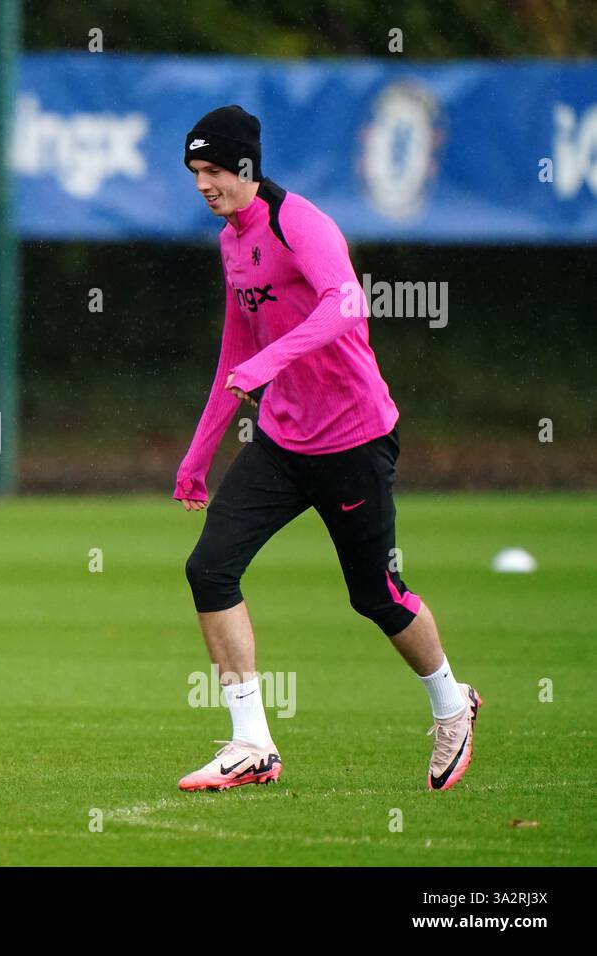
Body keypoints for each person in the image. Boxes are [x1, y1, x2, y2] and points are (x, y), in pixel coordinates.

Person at [173, 105, 479, 792]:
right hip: (283, 443)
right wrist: (199, 456)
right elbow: (234, 352)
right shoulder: (231, 241)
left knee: (377, 595)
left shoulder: (298, 223)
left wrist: (269, 362)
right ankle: (252, 743)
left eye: (215, 170)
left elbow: (346, 303)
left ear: (246, 167)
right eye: (195, 172)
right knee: (210, 569)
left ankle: (453, 707)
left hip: (354, 440)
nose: (204, 183)